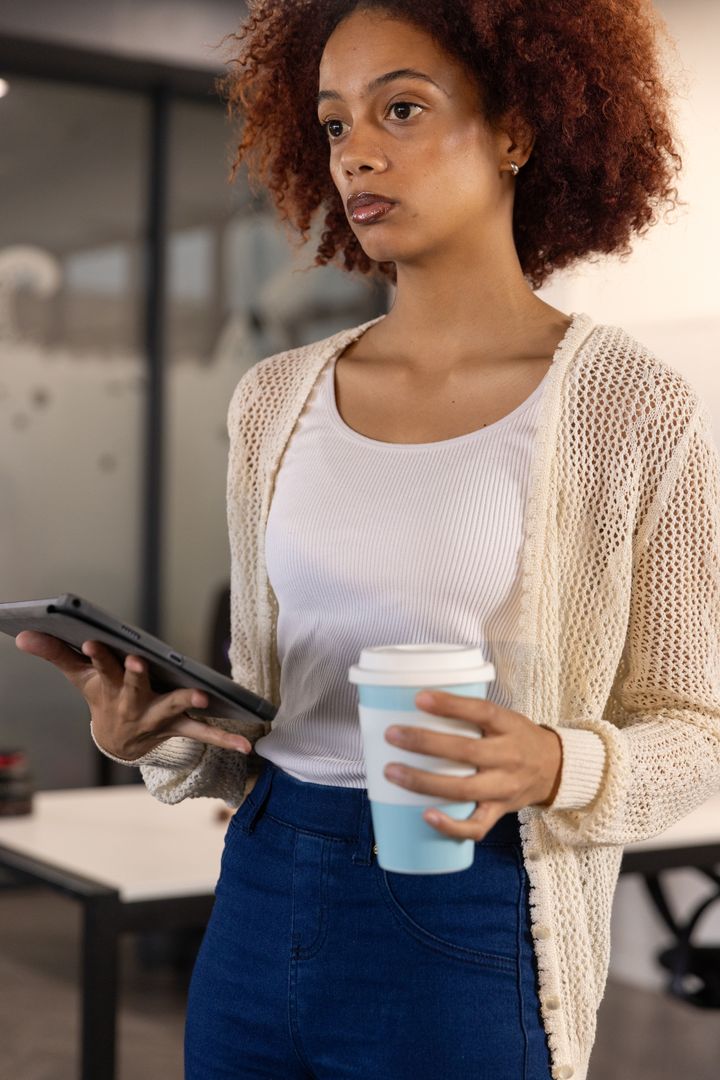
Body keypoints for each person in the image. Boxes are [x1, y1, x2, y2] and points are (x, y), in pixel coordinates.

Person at [16, 2, 720, 1078]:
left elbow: (696, 726)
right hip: (260, 891)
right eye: (336, 123)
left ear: (517, 129)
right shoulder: (274, 401)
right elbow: (266, 721)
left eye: (403, 108)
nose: (356, 154)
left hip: (473, 909)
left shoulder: (632, 409)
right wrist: (154, 733)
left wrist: (554, 762)